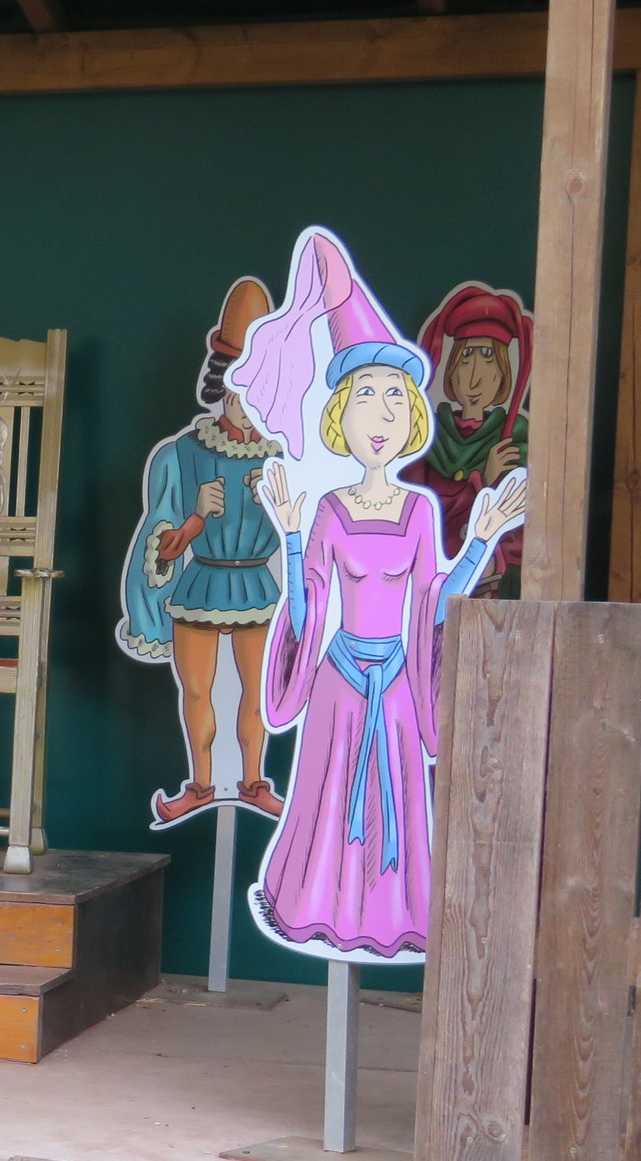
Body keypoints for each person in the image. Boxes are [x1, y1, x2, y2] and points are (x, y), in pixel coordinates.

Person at [233, 229, 525, 963]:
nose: (383, 412)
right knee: (330, 798)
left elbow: (436, 599)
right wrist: (292, 536)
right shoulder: (329, 511)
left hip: (395, 683)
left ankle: (390, 915)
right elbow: (307, 609)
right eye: (367, 397)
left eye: (395, 397)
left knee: (393, 799)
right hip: (338, 681)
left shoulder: (421, 511)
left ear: (411, 418)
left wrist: (481, 538)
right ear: (343, 416)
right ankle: (317, 907)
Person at [115, 277, 287, 825]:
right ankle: (202, 784)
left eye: (258, 393)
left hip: (257, 584)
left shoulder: (284, 458)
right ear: (221, 387)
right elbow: (160, 546)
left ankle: (254, 781)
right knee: (196, 690)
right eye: (239, 392)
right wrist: (195, 519)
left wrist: (277, 507)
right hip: (203, 582)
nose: (247, 407)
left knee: (257, 692)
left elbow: (306, 537)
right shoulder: (183, 454)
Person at [411, 283, 531, 598]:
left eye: (488, 356)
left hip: (490, 587)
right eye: (465, 357)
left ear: (505, 371)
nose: (474, 376)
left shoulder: (516, 438)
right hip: (434, 581)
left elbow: (521, 530)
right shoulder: (429, 436)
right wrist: (483, 480)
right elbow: (419, 512)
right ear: (450, 369)